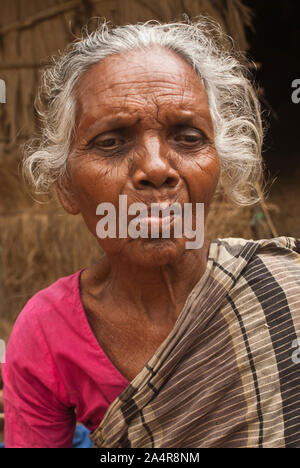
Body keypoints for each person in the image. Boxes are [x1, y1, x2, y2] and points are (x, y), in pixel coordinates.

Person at [2, 18, 300, 448]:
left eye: (188, 137)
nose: (157, 168)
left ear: (221, 164)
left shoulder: (285, 291)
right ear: (65, 185)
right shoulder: (47, 333)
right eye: (111, 142)